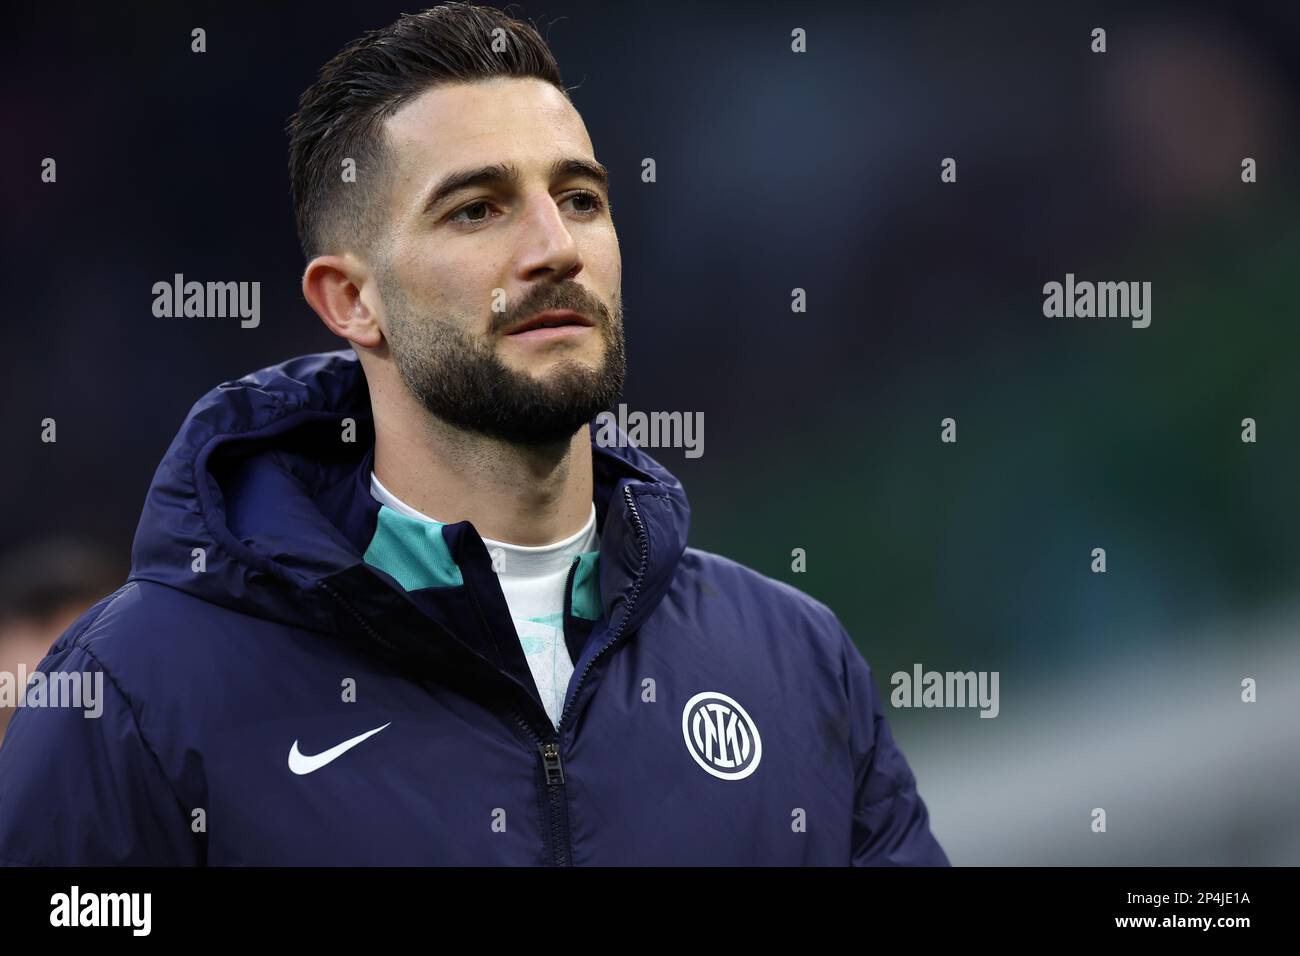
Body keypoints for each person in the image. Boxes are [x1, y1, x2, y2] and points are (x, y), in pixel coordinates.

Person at [0, 3, 948, 866]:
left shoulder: (793, 659)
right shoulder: (129, 699)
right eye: (477, 209)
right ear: (352, 301)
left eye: (579, 198)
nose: (555, 248)